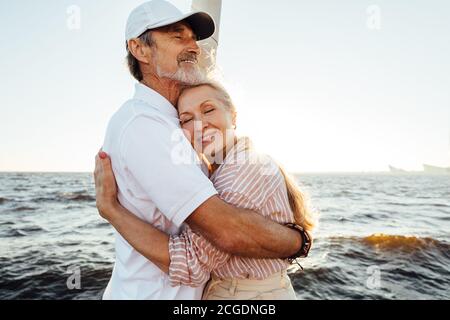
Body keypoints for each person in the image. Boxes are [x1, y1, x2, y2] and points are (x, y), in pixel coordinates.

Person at [97, 0, 305, 300]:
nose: (193, 46)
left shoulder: (175, 121)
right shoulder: (145, 124)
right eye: (178, 36)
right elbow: (227, 230)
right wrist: (299, 243)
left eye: (194, 38)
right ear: (140, 49)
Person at [95, 81, 315, 300]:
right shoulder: (221, 167)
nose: (199, 125)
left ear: (234, 116)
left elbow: (191, 264)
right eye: (187, 119)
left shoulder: (242, 169)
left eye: (208, 110)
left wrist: (112, 211)